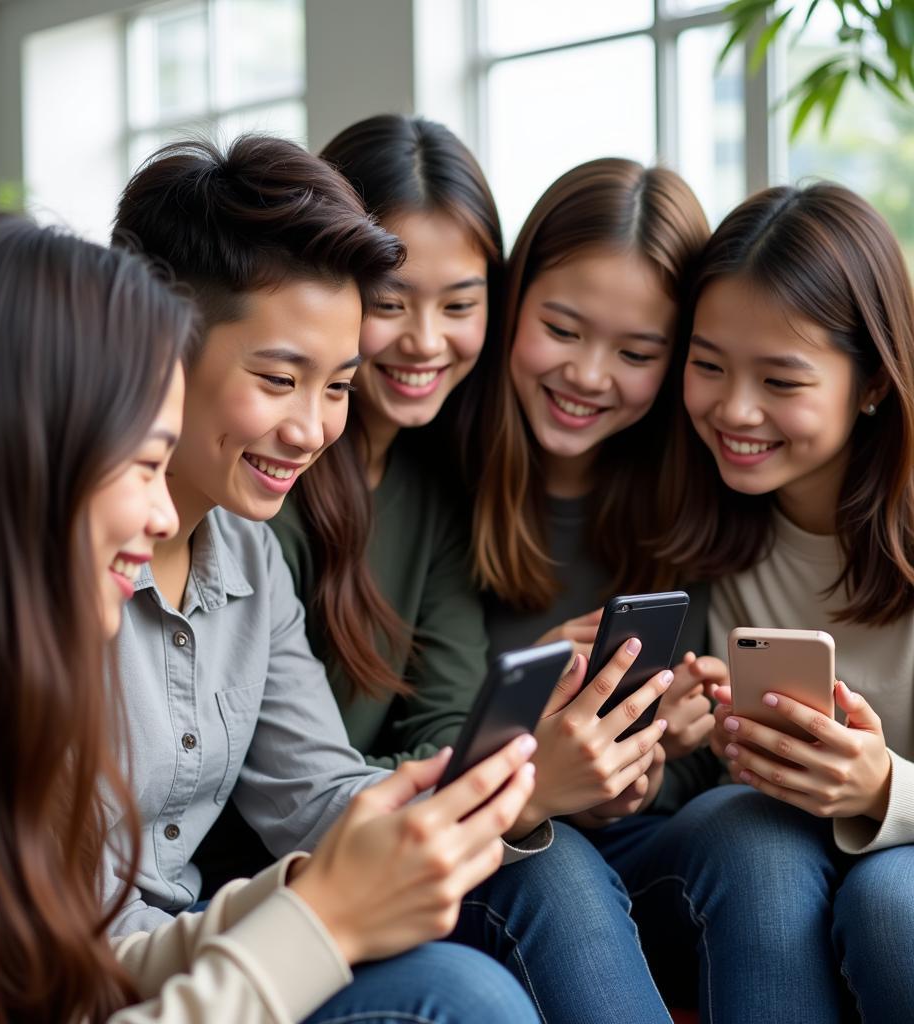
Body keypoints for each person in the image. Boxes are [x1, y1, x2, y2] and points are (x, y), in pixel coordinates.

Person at [0, 212, 540, 1024]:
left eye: (338, 383)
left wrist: (312, 894)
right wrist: (323, 920)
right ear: (20, 459)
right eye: (142, 464)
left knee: (467, 976)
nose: (166, 515)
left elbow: (64, 970)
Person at [106, 134, 548, 1021]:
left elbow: (317, 794)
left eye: (339, 386)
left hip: (197, 938)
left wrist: (513, 773)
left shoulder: (245, 554)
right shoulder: (53, 566)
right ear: (155, 346)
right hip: (101, 974)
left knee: (500, 935)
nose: (312, 430)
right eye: (279, 379)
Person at [272, 117, 684, 1023]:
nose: (424, 341)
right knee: (547, 862)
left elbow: (446, 716)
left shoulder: (429, 473)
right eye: (391, 301)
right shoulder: (275, 478)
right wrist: (528, 762)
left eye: (459, 304)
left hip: (402, 831)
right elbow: (297, 790)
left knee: (557, 857)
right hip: (291, 871)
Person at [595, 182, 914, 1023]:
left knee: (892, 899)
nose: (734, 410)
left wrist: (884, 788)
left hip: (899, 863)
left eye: (781, 379)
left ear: (874, 381)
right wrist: (666, 737)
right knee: (751, 827)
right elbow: (681, 793)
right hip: (754, 862)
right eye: (707, 366)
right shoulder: (690, 524)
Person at [470, 157, 723, 819]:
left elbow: (693, 770)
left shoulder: (696, 493)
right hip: (494, 819)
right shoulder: (444, 475)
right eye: (561, 330)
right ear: (511, 301)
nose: (586, 375)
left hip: (638, 830)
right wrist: (525, 694)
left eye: (635, 354)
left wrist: (653, 753)